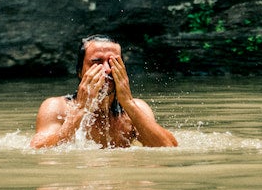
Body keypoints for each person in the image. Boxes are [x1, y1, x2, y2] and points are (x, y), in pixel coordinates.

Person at [30, 35, 178, 149]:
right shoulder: (57, 107)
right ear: (80, 71)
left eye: (114, 62)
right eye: (97, 62)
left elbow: (169, 149)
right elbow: (39, 150)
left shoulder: (135, 109)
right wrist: (81, 109)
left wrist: (128, 103)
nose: (107, 69)